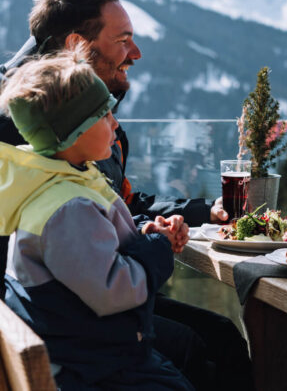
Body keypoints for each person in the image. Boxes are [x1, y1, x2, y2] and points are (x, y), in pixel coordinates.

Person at [0, 0, 252, 390]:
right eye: (123, 40)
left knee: (217, 335)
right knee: (209, 343)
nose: (135, 53)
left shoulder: (62, 116)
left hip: (81, 303)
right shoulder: (34, 127)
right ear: (77, 46)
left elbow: (114, 202)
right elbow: (78, 229)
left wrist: (198, 211)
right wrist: (146, 250)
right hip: (71, 327)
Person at [0, 49, 192, 389]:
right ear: (72, 133)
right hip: (93, 370)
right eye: (104, 116)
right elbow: (114, 290)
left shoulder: (60, 180)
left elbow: (90, 252)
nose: (116, 123)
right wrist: (157, 247)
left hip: (87, 353)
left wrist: (141, 233)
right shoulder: (66, 206)